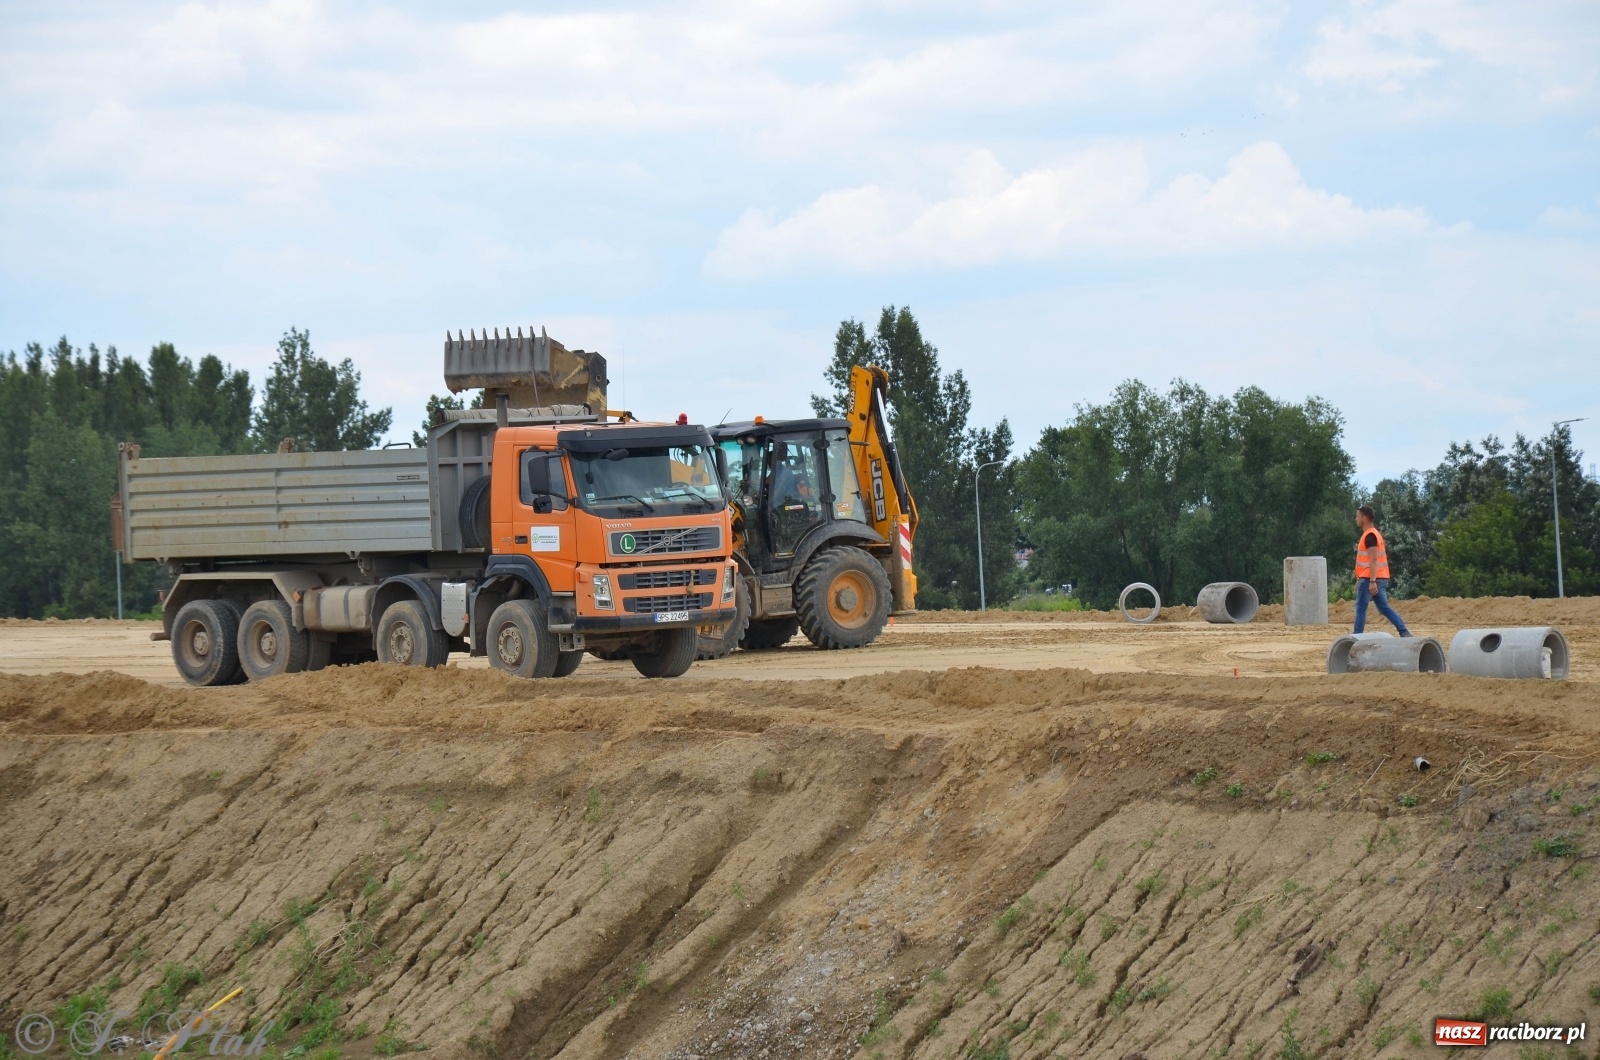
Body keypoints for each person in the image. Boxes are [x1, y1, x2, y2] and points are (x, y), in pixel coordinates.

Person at [1353, 505, 1411, 636]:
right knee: (1384, 608)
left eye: (1358, 516)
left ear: (1365, 518)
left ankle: (1356, 636)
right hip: (1378, 577)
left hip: (1370, 579)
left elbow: (1373, 560)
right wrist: (1359, 579)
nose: (1356, 519)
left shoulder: (1369, 536)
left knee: (1360, 608)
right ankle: (1404, 632)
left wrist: (1372, 581)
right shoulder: (1374, 534)